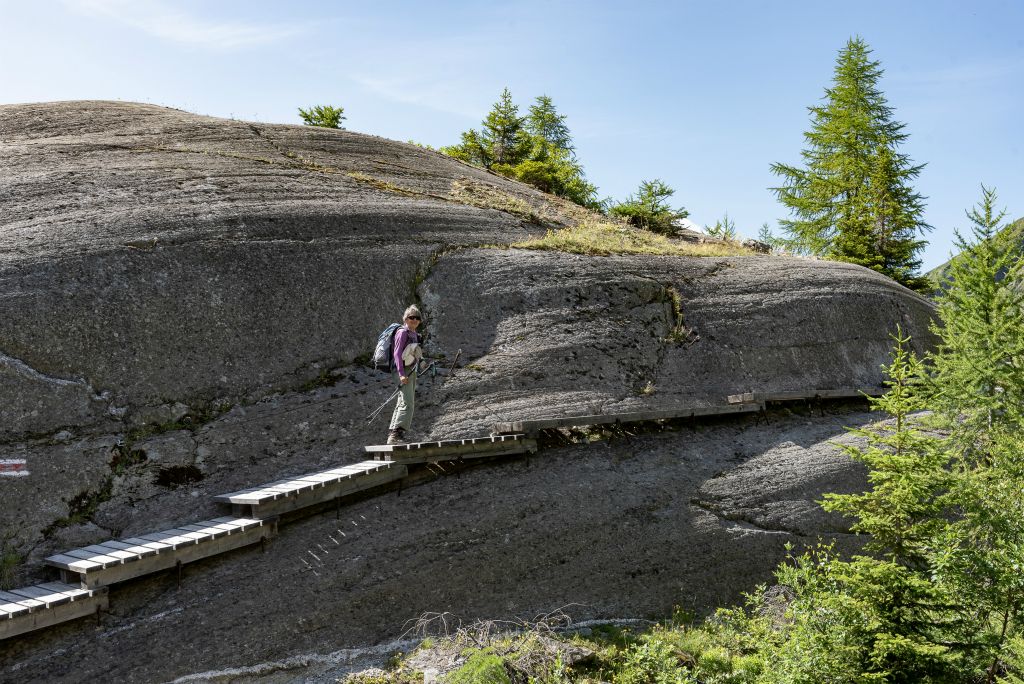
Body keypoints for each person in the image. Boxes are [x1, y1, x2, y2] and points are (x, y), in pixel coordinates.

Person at [387, 305, 423, 445]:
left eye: (417, 318)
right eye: (411, 317)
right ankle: (397, 435)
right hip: (402, 370)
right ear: (405, 319)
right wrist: (401, 374)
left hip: (411, 370)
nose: (414, 320)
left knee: (402, 401)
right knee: (408, 403)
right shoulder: (403, 332)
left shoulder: (414, 335)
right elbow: (397, 353)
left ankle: (393, 434)